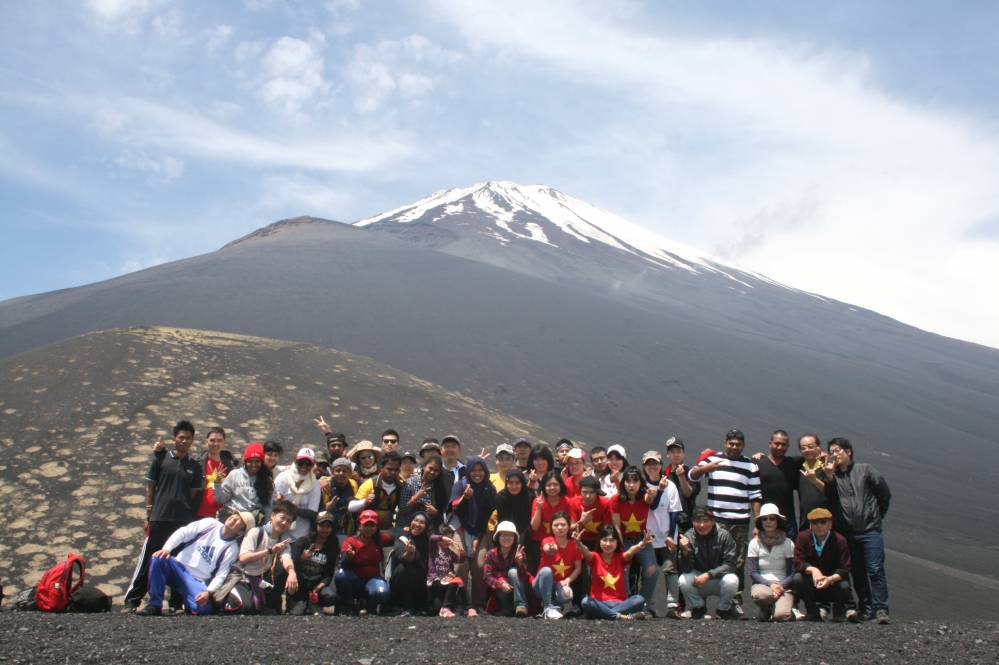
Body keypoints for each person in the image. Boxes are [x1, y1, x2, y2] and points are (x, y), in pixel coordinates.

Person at [122, 421, 204, 614]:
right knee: (149, 560)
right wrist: (149, 512)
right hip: (159, 517)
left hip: (182, 521)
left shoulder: (194, 466)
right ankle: (132, 601)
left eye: (188, 438)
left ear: (192, 441)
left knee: (178, 562)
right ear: (174, 438)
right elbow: (151, 487)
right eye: (181, 437)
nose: (184, 441)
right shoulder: (161, 459)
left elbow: (191, 494)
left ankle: (175, 604)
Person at [688, 429, 761, 614]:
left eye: (738, 444)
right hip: (716, 521)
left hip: (740, 521)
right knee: (708, 558)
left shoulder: (750, 466)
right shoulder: (713, 460)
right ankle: (700, 603)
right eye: (731, 443)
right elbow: (692, 476)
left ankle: (733, 602)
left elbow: (755, 496)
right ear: (725, 443)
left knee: (738, 561)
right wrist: (705, 468)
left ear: (743, 446)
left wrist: (758, 522)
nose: (734, 447)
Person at [822, 437, 891, 624]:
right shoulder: (833, 476)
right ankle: (866, 609)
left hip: (870, 530)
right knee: (857, 571)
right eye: (832, 452)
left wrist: (876, 516)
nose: (835, 454)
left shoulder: (865, 470)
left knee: (875, 570)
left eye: (838, 450)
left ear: (849, 451)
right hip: (848, 533)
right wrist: (829, 476)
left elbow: (884, 493)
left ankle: (881, 609)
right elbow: (829, 498)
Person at [136, 511, 253, 615]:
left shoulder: (232, 548)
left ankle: (188, 604)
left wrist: (208, 592)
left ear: (241, 532)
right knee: (158, 558)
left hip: (196, 579)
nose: (234, 518)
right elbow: (183, 533)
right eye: (235, 515)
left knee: (204, 609)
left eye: (239, 520)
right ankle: (155, 605)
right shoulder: (210, 523)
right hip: (177, 567)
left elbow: (221, 575)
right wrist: (167, 549)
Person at [574, 524, 650, 620]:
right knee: (585, 601)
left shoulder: (621, 558)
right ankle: (619, 616)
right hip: (599, 603)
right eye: (604, 540)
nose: (608, 544)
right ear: (599, 541)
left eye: (611, 540)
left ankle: (606, 614)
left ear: (617, 542)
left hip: (620, 603)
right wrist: (578, 543)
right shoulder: (595, 558)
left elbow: (631, 552)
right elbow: (586, 552)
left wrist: (642, 544)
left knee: (639, 599)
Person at [450, 456, 496, 612]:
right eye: (474, 470)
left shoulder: (489, 488)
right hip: (460, 526)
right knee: (460, 563)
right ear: (468, 471)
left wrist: (477, 538)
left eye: (480, 470)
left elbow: (486, 517)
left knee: (481, 564)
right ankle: (460, 601)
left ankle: (478, 602)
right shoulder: (460, 485)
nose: (477, 473)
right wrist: (465, 498)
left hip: (479, 529)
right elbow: (455, 509)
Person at [610, 466, 659, 612]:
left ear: (641, 483)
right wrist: (620, 549)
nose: (631, 485)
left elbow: (649, 499)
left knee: (653, 571)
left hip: (642, 540)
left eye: (635, 481)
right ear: (623, 483)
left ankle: (641, 603)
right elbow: (616, 527)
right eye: (628, 481)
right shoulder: (616, 499)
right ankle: (626, 603)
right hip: (624, 540)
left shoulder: (644, 497)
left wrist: (652, 493)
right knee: (623, 569)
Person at [793, 507, 856, 622]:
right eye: (815, 522)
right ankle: (812, 612)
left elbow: (845, 568)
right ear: (810, 525)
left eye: (823, 522)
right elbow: (798, 563)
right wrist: (813, 570)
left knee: (844, 585)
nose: (819, 525)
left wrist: (830, 579)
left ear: (830, 525)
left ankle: (838, 611)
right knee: (798, 579)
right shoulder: (802, 538)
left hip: (833, 583)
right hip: (813, 583)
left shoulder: (840, 540)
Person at [677, 508, 741, 620]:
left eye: (706, 521)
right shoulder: (688, 536)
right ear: (693, 522)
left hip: (719, 580)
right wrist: (685, 552)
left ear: (713, 521)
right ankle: (698, 607)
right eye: (698, 521)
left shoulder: (724, 535)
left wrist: (709, 574)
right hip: (699, 581)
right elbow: (686, 569)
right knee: (683, 580)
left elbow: (730, 564)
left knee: (732, 580)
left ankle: (723, 609)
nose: (702, 525)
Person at [237, 499, 298, 614]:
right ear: (272, 515)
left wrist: (292, 572)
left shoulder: (283, 539)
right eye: (282, 518)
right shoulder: (256, 532)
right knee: (245, 608)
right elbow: (243, 558)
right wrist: (270, 551)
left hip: (263, 577)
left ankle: (267, 604)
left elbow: (286, 557)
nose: (284, 523)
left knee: (286, 568)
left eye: (289, 521)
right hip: (245, 577)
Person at [641, 451, 682, 618]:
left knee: (670, 569)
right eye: (649, 464)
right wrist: (660, 490)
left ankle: (673, 606)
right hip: (648, 536)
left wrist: (671, 535)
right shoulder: (642, 486)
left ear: (661, 465)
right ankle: (648, 606)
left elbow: (674, 512)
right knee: (649, 570)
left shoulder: (670, 486)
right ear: (644, 467)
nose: (652, 467)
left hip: (666, 535)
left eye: (655, 463)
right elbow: (651, 506)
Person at [334, 509, 393, 614]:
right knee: (340, 574)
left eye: (372, 525)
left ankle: (369, 604)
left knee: (382, 594)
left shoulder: (380, 539)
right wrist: (349, 558)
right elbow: (342, 565)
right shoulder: (350, 541)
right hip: (355, 581)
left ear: (376, 527)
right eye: (365, 525)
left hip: (373, 579)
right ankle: (348, 604)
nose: (368, 528)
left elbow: (398, 539)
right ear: (359, 526)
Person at [748, 503, 796, 622]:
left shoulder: (788, 543)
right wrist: (771, 585)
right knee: (761, 596)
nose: (768, 521)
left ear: (778, 521)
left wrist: (780, 587)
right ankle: (765, 608)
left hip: (783, 585)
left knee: (782, 617)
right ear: (760, 522)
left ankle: (781, 609)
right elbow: (753, 572)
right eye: (764, 519)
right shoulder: (754, 543)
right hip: (762, 584)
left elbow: (792, 572)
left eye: (772, 518)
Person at [288, 511, 340, 615]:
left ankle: (311, 603)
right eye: (322, 525)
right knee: (294, 575)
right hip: (300, 582)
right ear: (316, 526)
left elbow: (329, 574)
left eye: (328, 526)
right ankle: (301, 602)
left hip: (316, 583)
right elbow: (292, 566)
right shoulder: (303, 541)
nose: (325, 529)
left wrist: (318, 588)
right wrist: (302, 558)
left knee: (331, 597)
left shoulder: (332, 547)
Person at [533, 511, 583, 619]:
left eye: (563, 525)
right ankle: (547, 607)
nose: (559, 527)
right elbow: (547, 548)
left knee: (567, 594)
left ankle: (555, 606)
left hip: (559, 585)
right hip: (541, 584)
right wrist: (551, 549)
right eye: (556, 525)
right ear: (551, 527)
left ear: (569, 527)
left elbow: (578, 568)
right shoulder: (547, 540)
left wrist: (568, 580)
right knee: (546, 571)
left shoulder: (574, 545)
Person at [213, 442, 274, 525]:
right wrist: (217, 484)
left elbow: (268, 507)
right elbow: (221, 500)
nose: (253, 464)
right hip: (232, 518)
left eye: (257, 461)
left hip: (252, 522)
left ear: (262, 462)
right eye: (250, 461)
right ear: (245, 462)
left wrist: (266, 527)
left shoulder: (267, 480)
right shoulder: (234, 474)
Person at [754, 430, 801, 539]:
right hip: (766, 521)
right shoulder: (757, 463)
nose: (780, 447)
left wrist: (822, 454)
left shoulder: (794, 463)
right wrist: (757, 523)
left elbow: (814, 458)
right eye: (777, 443)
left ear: (788, 446)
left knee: (790, 550)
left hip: (788, 522)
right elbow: (754, 496)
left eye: (783, 444)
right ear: (770, 443)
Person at [482, 521, 531, 616]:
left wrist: (519, 563)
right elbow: (486, 576)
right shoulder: (491, 554)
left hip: (519, 589)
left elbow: (525, 578)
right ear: (498, 537)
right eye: (503, 535)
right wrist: (501, 584)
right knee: (501, 581)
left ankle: (521, 606)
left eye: (510, 535)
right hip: (502, 590)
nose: (507, 538)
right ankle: (507, 609)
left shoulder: (519, 553)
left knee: (513, 572)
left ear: (515, 538)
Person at [274, 448, 322, 541]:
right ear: (295, 461)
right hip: (279, 532)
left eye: (308, 463)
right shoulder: (282, 478)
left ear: (313, 465)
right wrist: (281, 503)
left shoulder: (315, 484)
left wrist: (286, 505)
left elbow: (312, 513)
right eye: (300, 462)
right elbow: (274, 504)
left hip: (301, 534)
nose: (304, 466)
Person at [390, 511, 432, 617]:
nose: (417, 524)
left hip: (425, 582)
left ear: (426, 527)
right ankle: (407, 607)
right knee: (403, 569)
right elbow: (404, 559)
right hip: (406, 582)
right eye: (415, 520)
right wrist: (410, 552)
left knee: (435, 608)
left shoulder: (430, 541)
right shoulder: (402, 539)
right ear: (410, 522)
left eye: (422, 522)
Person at [530, 470, 572, 573]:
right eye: (548, 485)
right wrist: (539, 508)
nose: (552, 487)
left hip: (561, 542)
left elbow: (570, 525)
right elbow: (534, 527)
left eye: (555, 484)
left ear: (561, 485)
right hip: (539, 542)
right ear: (544, 487)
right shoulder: (538, 501)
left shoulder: (567, 501)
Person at [349, 451, 402, 531]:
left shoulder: (400, 486)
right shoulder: (370, 484)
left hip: (388, 530)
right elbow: (350, 507)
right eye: (389, 469)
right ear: (381, 468)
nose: (393, 472)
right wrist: (365, 502)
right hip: (367, 531)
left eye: (396, 470)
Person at [398, 455, 451, 531]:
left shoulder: (440, 488)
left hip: (427, 530)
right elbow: (402, 510)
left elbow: (443, 517)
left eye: (436, 470)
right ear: (424, 467)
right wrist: (415, 498)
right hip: (406, 527)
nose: (432, 472)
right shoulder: (410, 483)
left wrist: (435, 513)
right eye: (430, 468)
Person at [428, 523, 470, 617]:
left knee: (456, 584)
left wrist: (462, 554)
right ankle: (446, 607)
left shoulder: (449, 552)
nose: (448, 541)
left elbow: (459, 560)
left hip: (445, 580)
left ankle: (468, 607)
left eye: (450, 538)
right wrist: (442, 538)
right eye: (446, 539)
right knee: (435, 608)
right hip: (434, 579)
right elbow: (432, 538)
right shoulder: (434, 548)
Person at [797, 434, 830, 529]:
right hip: (806, 523)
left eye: (811, 446)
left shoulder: (828, 467)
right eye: (803, 448)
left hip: (826, 523)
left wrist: (814, 480)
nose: (807, 450)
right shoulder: (798, 467)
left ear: (819, 447)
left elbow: (832, 492)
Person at [324, 457, 358, 537]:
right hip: (326, 531)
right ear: (332, 472)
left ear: (350, 473)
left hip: (346, 530)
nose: (341, 473)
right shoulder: (325, 485)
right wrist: (326, 509)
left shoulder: (353, 485)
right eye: (338, 471)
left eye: (345, 471)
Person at [493, 469, 533, 538]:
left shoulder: (528, 497)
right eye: (510, 483)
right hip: (503, 535)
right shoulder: (500, 498)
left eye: (517, 483)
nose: (514, 486)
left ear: (522, 483)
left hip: (524, 534)